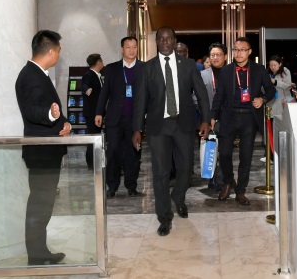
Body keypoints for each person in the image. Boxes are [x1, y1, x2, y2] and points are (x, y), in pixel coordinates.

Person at [133, 26, 210, 236]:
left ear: (174, 41)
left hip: (183, 124)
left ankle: (178, 195)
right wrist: (137, 128)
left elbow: (202, 95)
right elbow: (140, 101)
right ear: (157, 41)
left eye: (169, 39)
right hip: (158, 127)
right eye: (161, 38)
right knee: (160, 172)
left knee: (186, 169)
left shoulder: (188, 65)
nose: (165, 42)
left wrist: (205, 120)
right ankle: (164, 217)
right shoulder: (147, 68)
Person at [15, 30, 72, 266]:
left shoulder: (38, 74)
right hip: (41, 152)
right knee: (40, 203)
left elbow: (52, 107)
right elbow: (33, 110)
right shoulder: (31, 76)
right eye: (58, 50)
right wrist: (50, 115)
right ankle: (37, 255)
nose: (59, 54)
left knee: (43, 203)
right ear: (50, 51)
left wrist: (64, 123)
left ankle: (40, 251)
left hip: (46, 150)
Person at [210, 37, 276, 206]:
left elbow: (270, 89)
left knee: (245, 156)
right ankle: (228, 181)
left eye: (242, 50)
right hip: (229, 116)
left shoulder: (259, 70)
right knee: (224, 153)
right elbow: (219, 95)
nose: (238, 53)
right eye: (236, 50)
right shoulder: (226, 71)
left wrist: (262, 99)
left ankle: (240, 191)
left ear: (249, 52)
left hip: (249, 118)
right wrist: (213, 116)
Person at [95, 37, 144, 198]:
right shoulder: (111, 69)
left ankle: (131, 186)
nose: (131, 50)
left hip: (135, 119)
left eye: (134, 47)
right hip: (114, 119)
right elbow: (104, 93)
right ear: (122, 49)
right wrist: (99, 112)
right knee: (113, 152)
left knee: (133, 153)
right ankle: (112, 186)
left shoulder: (144, 68)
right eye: (128, 47)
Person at [200, 42, 228, 191]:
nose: (215, 58)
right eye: (212, 55)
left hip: (226, 119)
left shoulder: (230, 73)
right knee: (210, 150)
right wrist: (206, 114)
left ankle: (222, 181)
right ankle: (212, 178)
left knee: (224, 151)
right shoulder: (202, 74)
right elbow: (195, 96)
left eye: (218, 55)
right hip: (208, 119)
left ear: (225, 56)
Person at [263, 55, 293, 163]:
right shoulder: (267, 73)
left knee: (281, 130)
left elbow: (288, 86)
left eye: (275, 65)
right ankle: (270, 154)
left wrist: (275, 82)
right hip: (271, 104)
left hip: (282, 104)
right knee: (270, 129)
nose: (272, 67)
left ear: (280, 64)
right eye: (271, 65)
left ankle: (281, 155)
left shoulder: (285, 72)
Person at [81, 53, 104, 170]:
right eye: (102, 61)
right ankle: (91, 163)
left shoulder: (97, 75)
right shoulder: (89, 74)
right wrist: (87, 89)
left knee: (96, 137)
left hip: (97, 113)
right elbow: (84, 84)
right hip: (92, 113)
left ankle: (95, 162)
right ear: (98, 62)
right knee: (92, 138)